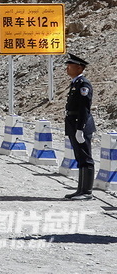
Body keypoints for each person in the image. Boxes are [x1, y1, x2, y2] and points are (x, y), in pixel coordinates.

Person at [63, 54, 97, 200]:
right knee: (79, 157)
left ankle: (87, 192)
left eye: (70, 66)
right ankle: (80, 190)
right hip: (74, 123)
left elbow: (84, 108)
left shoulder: (83, 84)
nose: (67, 68)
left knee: (85, 157)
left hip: (80, 124)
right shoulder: (75, 83)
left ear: (79, 68)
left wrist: (80, 128)